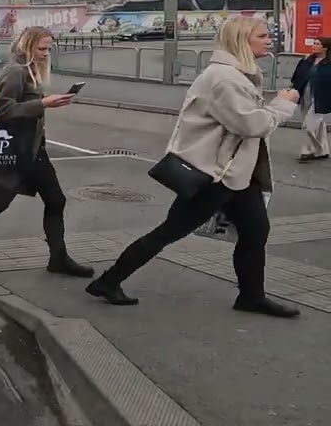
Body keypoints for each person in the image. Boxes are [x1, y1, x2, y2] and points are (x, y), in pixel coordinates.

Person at [86, 17, 301, 316]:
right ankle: (108, 281)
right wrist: (282, 104)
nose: (269, 40)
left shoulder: (238, 74)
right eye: (263, 36)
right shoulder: (225, 79)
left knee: (255, 231)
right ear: (242, 40)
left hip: (236, 173)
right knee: (169, 232)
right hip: (214, 176)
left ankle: (251, 296)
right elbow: (250, 124)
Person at [0, 26, 92, 278]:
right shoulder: (15, 72)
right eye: (41, 48)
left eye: (48, 49)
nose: (46, 53)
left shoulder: (31, 71)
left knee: (56, 200)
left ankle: (58, 258)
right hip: (15, 154)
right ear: (27, 46)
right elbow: (3, 111)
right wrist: (43, 103)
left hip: (33, 151)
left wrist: (47, 104)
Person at [291, 35, 331, 162]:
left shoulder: (329, 63)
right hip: (305, 95)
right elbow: (296, 76)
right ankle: (322, 151)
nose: (314, 46)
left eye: (317, 44)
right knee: (318, 126)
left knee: (309, 125)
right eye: (314, 43)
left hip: (322, 97)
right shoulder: (307, 60)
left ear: (325, 48)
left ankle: (307, 151)